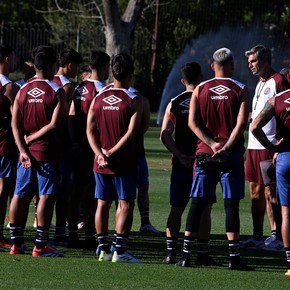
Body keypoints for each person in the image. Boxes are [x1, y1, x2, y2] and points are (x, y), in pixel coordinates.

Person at [176, 48, 252, 270]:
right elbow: (241, 124)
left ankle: (186, 256)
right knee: (231, 205)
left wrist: (211, 144)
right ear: (232, 65)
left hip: (205, 153)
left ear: (212, 67)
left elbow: (192, 123)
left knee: (198, 203)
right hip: (232, 154)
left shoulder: (200, 88)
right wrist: (226, 147)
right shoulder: (241, 89)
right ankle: (234, 259)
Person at [9, 45, 68, 257]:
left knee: (20, 195)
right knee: (45, 197)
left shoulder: (22, 89)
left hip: (25, 154)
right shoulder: (56, 90)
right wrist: (33, 138)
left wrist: (22, 149)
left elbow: (15, 125)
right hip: (47, 152)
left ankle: (16, 244)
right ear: (53, 66)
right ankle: (40, 246)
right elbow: (54, 124)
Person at [86, 52, 143, 263]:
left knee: (102, 203)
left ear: (111, 74)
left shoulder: (98, 98)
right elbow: (131, 133)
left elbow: (89, 131)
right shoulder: (133, 99)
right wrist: (111, 152)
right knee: (125, 204)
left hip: (100, 162)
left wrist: (99, 153)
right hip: (123, 162)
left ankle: (103, 249)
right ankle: (119, 251)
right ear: (130, 77)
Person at [160, 61, 214, 265]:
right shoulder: (205, 98)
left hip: (181, 163)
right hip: (203, 160)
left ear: (183, 81)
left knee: (177, 207)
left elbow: (165, 135)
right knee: (204, 207)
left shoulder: (174, 102)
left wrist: (180, 155)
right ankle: (202, 253)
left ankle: (170, 252)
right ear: (201, 78)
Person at [243, 45, 289, 250]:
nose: (250, 65)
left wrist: (277, 144)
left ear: (265, 60)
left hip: (270, 144)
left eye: (253, 61)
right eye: (249, 61)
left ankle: (277, 235)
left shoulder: (279, 81)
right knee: (255, 189)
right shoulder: (260, 83)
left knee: (271, 191)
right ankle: (257, 235)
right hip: (254, 144)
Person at [68, 50, 110, 248]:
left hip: (79, 147)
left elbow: (71, 116)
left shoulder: (80, 87)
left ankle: (72, 233)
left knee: (76, 191)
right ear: (104, 68)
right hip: (95, 148)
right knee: (93, 193)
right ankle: (90, 235)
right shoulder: (102, 90)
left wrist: (75, 142)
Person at [250, 87, 290, 276]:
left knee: (286, 213)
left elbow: (254, 126)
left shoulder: (277, 100)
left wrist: (272, 148)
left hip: (285, 157)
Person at [52, 48, 83, 246]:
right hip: (59, 144)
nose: (78, 70)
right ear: (70, 65)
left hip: (38, 142)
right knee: (65, 192)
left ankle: (41, 231)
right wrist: (74, 143)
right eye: (77, 66)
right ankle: (62, 232)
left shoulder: (44, 82)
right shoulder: (68, 86)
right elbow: (67, 117)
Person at [0, 45, 19, 248]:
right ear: (6, 59)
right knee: (4, 189)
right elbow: (17, 118)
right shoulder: (9, 87)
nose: (14, 62)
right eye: (13, 59)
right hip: (4, 144)